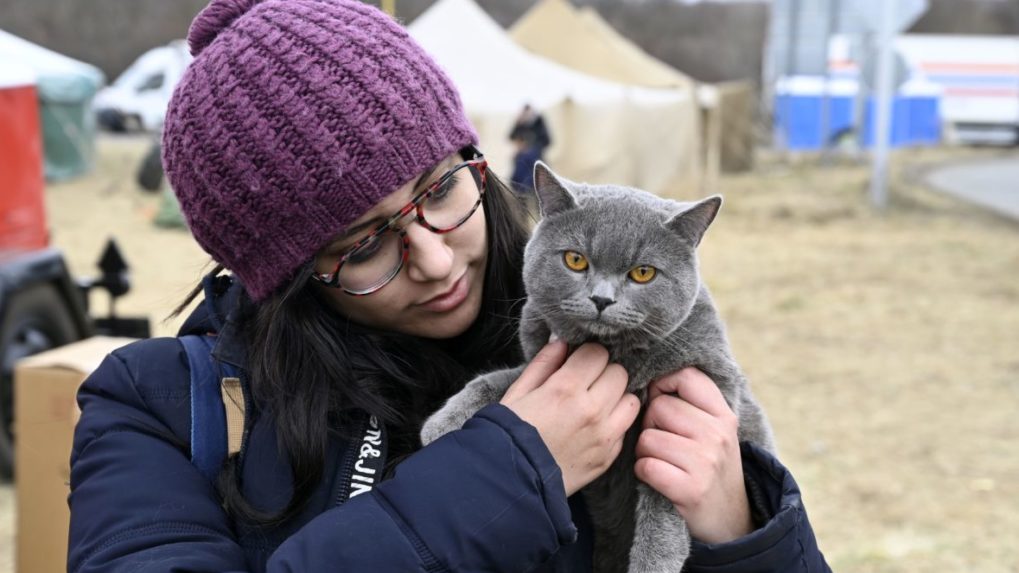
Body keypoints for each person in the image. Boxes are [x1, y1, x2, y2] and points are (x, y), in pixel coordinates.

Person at [67, 1, 831, 571]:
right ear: (284, 278)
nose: (434, 260)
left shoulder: (622, 345)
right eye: (363, 244)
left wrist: (738, 529)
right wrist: (504, 471)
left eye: (438, 192)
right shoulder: (156, 408)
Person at [509, 103, 552, 192]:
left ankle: (527, 188)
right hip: (522, 155)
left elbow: (547, 141)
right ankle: (521, 189)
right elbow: (511, 136)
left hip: (535, 154)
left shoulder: (539, 121)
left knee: (528, 160)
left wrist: (532, 146)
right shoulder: (521, 122)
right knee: (519, 162)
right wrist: (518, 123)